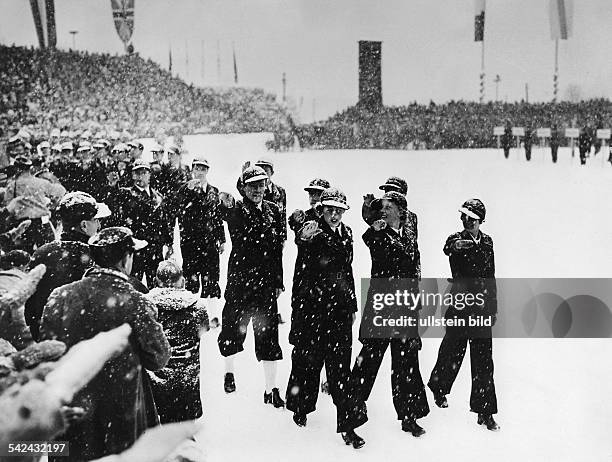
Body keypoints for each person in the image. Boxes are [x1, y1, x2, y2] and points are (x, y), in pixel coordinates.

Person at [40, 227, 171, 461]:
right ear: (125, 259)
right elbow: (159, 357)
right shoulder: (136, 301)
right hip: (123, 418)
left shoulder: (59, 297)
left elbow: (47, 357)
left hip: (71, 416)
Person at [285, 187, 367, 449]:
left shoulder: (348, 233)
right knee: (307, 364)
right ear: (321, 209)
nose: (334, 215)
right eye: (329, 210)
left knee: (341, 371)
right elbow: (300, 234)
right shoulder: (312, 231)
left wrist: (352, 305)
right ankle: (301, 407)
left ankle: (349, 425)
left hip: (340, 313)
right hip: (313, 311)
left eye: (339, 211)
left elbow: (348, 271)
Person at [350, 191, 429, 437]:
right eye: (381, 207)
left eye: (388, 207)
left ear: (401, 211)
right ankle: (350, 417)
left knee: (407, 363)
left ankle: (409, 416)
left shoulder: (409, 235)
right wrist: (374, 226)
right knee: (368, 362)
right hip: (382, 308)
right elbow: (369, 237)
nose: (383, 210)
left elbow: (414, 270)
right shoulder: (377, 234)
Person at [428, 198, 499, 431]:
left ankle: (484, 410)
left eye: (472, 218)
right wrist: (456, 247)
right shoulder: (455, 238)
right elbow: (448, 247)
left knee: (483, 361)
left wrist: (493, 306)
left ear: (480, 220)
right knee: (452, 350)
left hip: (481, 307)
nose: (467, 221)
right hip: (459, 304)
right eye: (464, 217)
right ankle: (439, 389)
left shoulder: (488, 242)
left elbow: (491, 276)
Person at [217, 166, 285, 407]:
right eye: (252, 186)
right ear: (243, 188)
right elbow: (226, 213)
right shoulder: (237, 210)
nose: (257, 190)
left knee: (268, 337)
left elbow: (277, 249)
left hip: (266, 285)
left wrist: (278, 280)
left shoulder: (274, 210)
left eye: (261, 185)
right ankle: (229, 372)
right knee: (232, 332)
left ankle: (271, 389)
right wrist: (224, 205)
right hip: (241, 284)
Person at [25, 191, 111, 340]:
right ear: (84, 225)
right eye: (96, 220)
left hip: (44, 339)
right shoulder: (94, 257)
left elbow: (29, 303)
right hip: (81, 346)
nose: (99, 224)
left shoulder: (42, 252)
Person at [146, 260, 208, 424]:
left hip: (157, 377)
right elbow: (203, 330)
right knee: (186, 425)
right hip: (188, 376)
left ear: (156, 281)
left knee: (162, 424)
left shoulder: (146, 306)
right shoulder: (197, 306)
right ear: (182, 280)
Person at [165, 155, 225, 327]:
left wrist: (222, 239)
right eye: (197, 168)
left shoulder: (214, 191)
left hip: (210, 242)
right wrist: (186, 191)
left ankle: (213, 315)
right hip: (190, 242)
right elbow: (174, 209)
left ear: (207, 171)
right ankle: (193, 316)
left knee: (212, 279)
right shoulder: (183, 190)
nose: (200, 172)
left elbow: (218, 217)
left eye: (203, 169)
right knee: (192, 279)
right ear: (192, 170)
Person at [120, 159, 173, 287]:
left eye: (144, 172)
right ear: (132, 175)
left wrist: (169, 243)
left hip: (155, 247)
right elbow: (121, 221)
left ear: (149, 175)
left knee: (156, 286)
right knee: (133, 286)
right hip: (135, 247)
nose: (140, 176)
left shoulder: (158, 196)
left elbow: (164, 221)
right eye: (137, 173)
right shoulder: (126, 194)